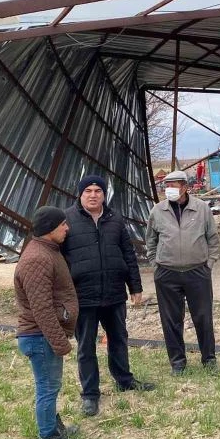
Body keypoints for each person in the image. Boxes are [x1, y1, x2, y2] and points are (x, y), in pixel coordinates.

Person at [62, 174, 154, 417]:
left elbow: (128, 254)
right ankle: (90, 394)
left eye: (98, 191)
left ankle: (124, 380)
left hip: (114, 294)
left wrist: (135, 286)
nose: (93, 195)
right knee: (86, 347)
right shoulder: (67, 220)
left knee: (119, 339)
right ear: (80, 194)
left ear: (104, 195)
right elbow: (58, 260)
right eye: (88, 191)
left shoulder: (115, 220)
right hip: (83, 295)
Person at [14, 206, 80, 439]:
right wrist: (60, 342)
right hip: (40, 337)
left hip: (44, 337)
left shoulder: (47, 250)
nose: (67, 228)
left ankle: (53, 427)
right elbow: (41, 309)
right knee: (47, 388)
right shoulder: (37, 259)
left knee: (51, 386)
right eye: (63, 224)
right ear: (51, 228)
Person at [145, 170, 219, 375]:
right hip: (167, 273)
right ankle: (177, 362)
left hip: (197, 272)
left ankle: (209, 359)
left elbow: (212, 239)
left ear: (185, 187)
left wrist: (209, 264)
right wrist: (155, 264)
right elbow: (150, 240)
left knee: (203, 317)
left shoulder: (202, 209)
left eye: (174, 185)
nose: (169, 190)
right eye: (166, 186)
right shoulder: (158, 211)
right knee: (170, 319)